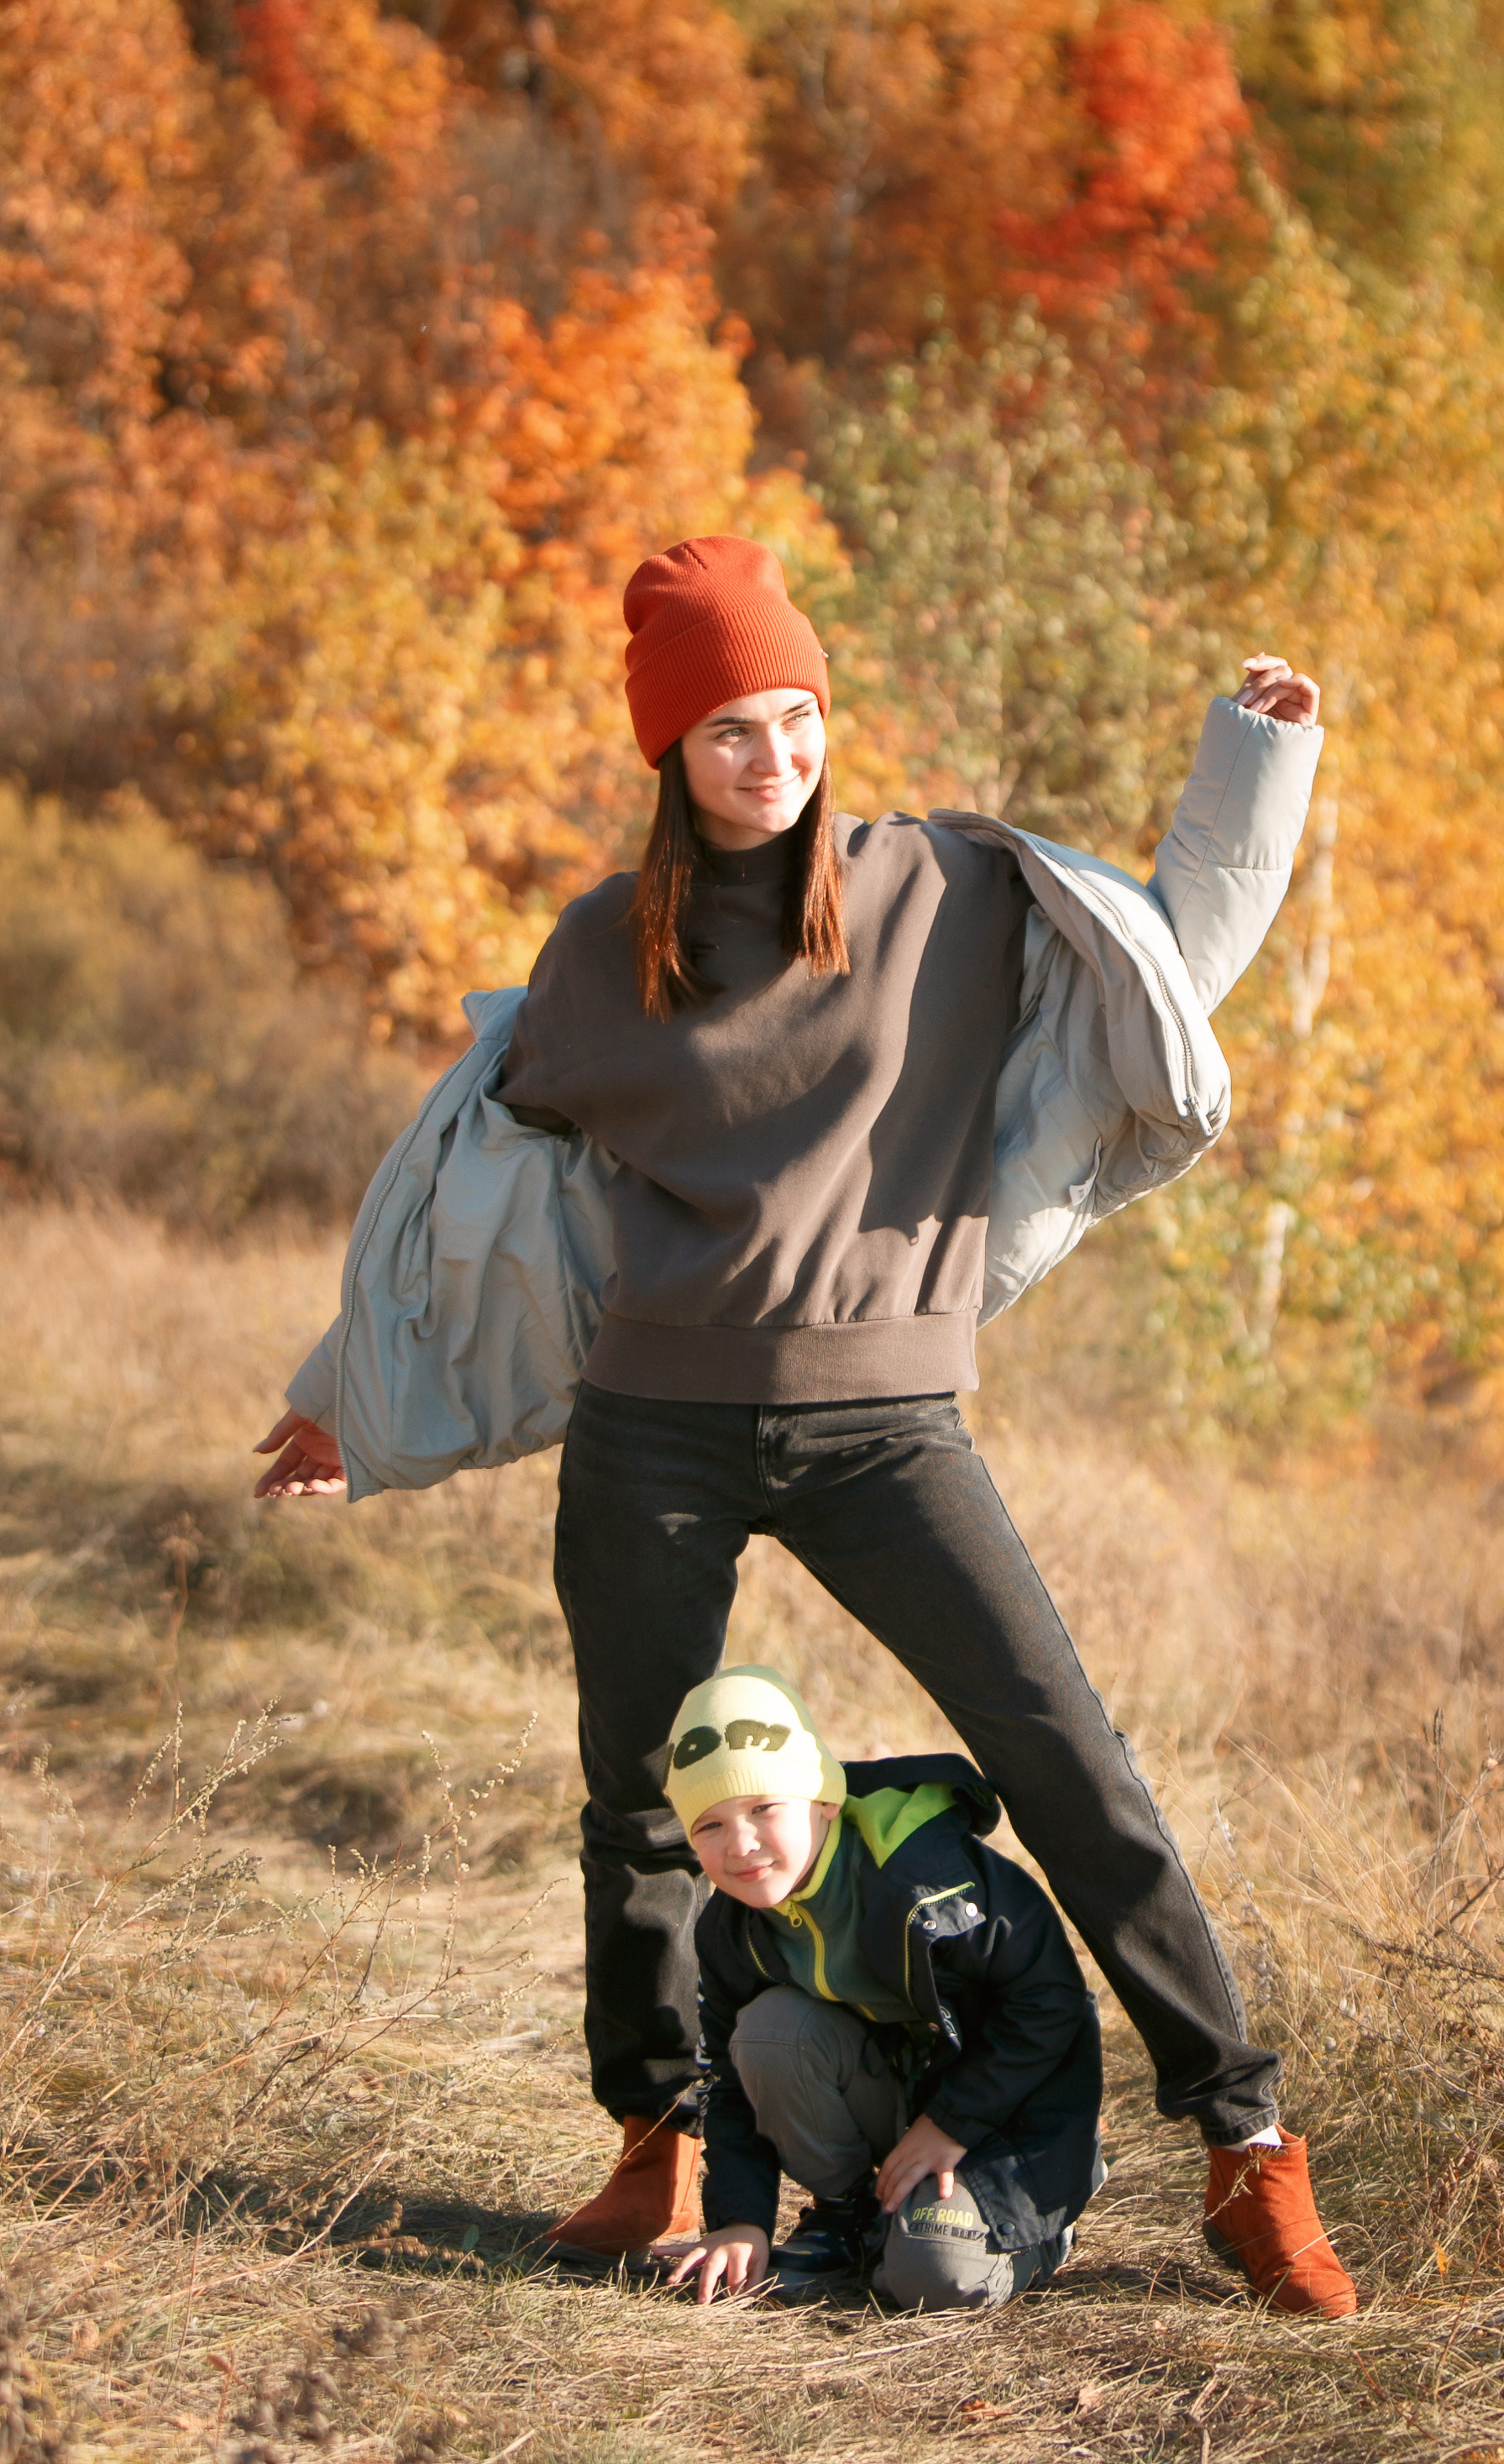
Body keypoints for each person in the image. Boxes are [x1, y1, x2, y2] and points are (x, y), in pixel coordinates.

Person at [254, 533, 1356, 2318]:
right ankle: (659, 2143)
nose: (771, 760)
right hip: (652, 1435)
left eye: (794, 720)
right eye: (728, 733)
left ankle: (1242, 2142)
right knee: (634, 1801)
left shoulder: (945, 890)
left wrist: (1254, 761)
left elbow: (1166, 956)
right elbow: (466, 1204)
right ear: (668, 756)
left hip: (883, 1427)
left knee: (1071, 1761)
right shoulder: (603, 954)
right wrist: (349, 1404)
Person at [657, 1665, 1100, 2311]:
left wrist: (951, 2123)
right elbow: (727, 2076)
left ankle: (1036, 2232)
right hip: (903, 2097)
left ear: (824, 1800)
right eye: (709, 1826)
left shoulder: (930, 1877)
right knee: (769, 2030)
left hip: (1004, 2112)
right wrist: (739, 2218)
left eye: (763, 1808)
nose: (741, 1846)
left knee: (932, 2279)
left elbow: (1051, 2003)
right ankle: (850, 2213)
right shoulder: (732, 1924)